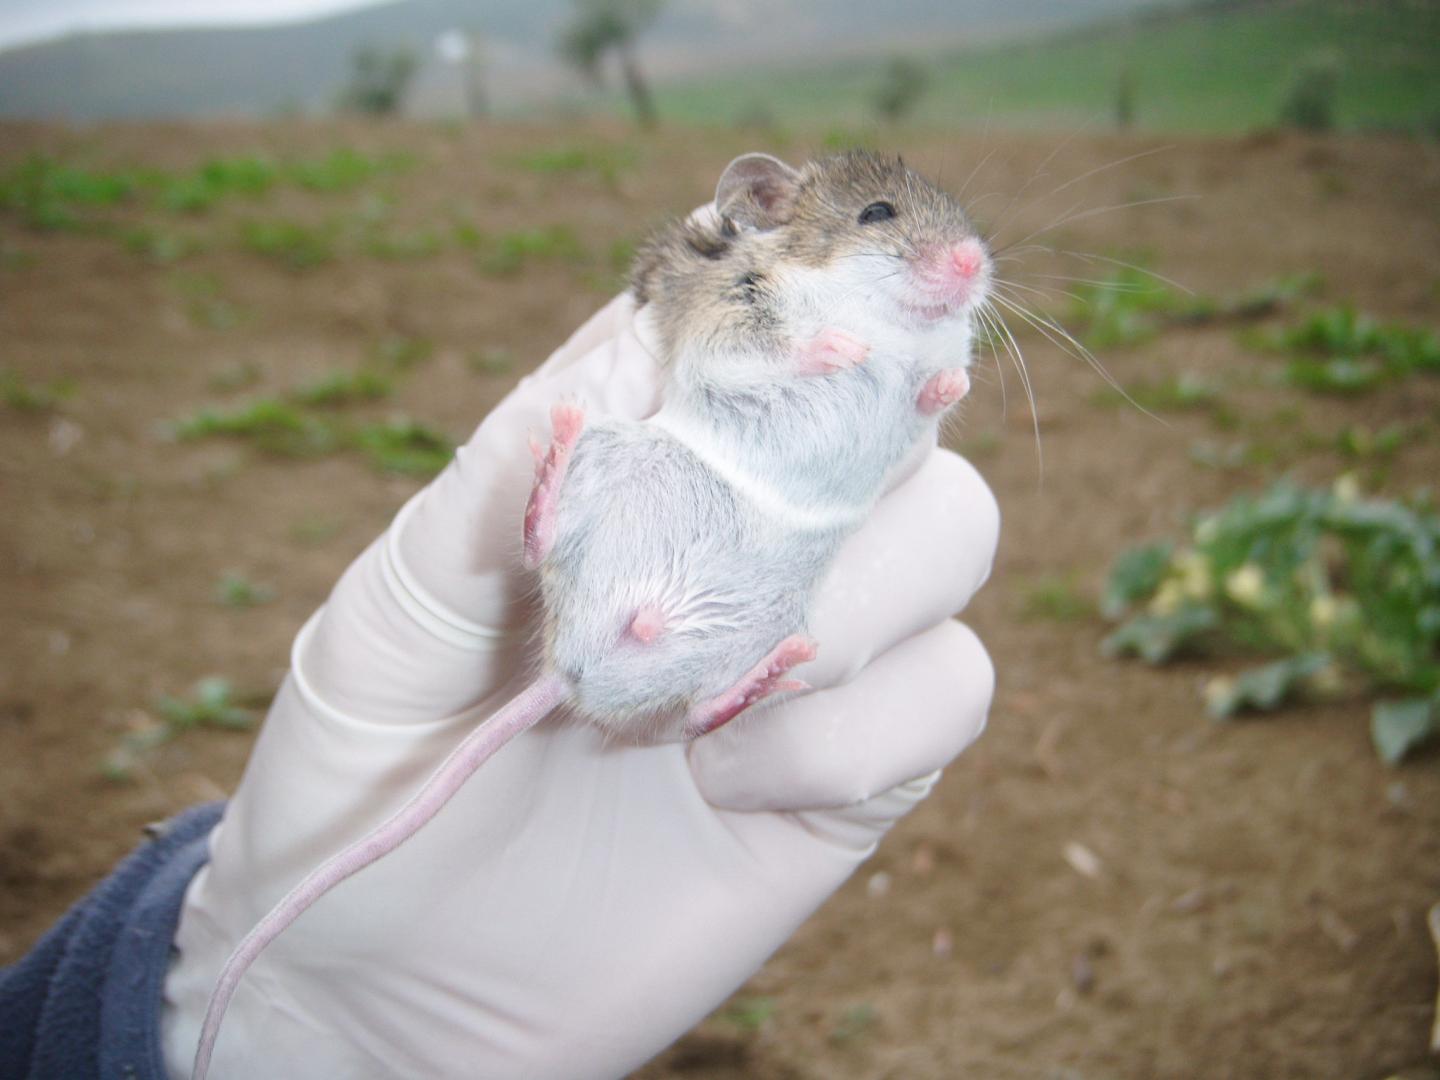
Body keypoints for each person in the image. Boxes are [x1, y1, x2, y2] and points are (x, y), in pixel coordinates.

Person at [1, 291, 999, 1080]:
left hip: (687, 607)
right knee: (615, 484)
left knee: (768, 609)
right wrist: (256, 1020)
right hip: (626, 563)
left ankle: (731, 685)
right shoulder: (738, 290)